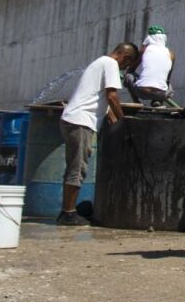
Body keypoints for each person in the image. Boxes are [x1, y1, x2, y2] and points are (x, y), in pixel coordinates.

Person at [58, 43, 139, 226]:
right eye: (127, 65)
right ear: (125, 58)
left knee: (75, 165)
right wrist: (124, 122)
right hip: (81, 121)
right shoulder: (110, 64)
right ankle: (68, 213)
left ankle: (67, 210)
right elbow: (112, 96)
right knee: (77, 167)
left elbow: (103, 101)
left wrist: (114, 120)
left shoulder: (99, 62)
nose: (124, 69)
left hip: (73, 119)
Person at [131, 26, 177, 105]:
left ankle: (136, 101)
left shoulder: (144, 50)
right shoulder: (171, 54)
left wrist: (143, 46)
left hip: (142, 92)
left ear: (149, 38)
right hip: (162, 94)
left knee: (129, 74)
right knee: (166, 83)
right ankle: (157, 101)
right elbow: (167, 78)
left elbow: (132, 69)